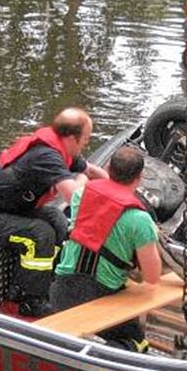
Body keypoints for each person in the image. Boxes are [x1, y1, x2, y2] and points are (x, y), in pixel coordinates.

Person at [0, 108, 108, 317]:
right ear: (72, 138)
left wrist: (117, 191)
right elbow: (74, 197)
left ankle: (51, 284)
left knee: (57, 220)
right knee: (40, 233)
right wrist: (82, 180)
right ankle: (30, 299)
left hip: (10, 210)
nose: (87, 142)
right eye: (86, 138)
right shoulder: (45, 156)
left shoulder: (62, 149)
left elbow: (91, 171)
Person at [49, 144, 162, 351]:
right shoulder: (140, 220)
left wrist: (88, 171)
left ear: (109, 169)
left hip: (61, 295)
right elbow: (152, 277)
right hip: (101, 298)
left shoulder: (80, 195)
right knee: (138, 343)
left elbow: (94, 191)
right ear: (139, 178)